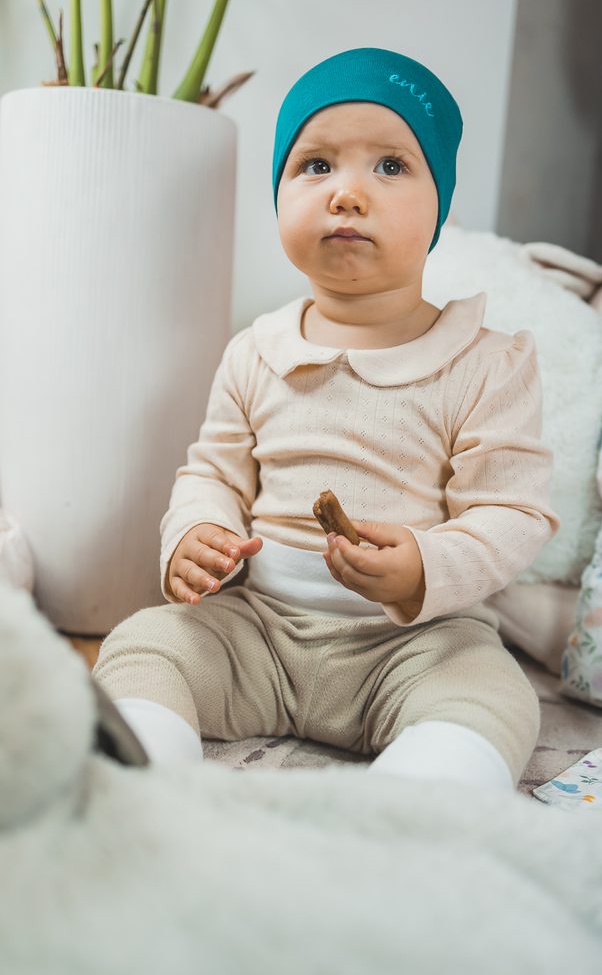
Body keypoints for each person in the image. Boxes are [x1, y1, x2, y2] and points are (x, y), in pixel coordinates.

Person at [92, 47, 560, 790]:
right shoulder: (257, 351)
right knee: (146, 642)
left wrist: (424, 564)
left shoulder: (485, 361)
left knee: (492, 694)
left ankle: (421, 796)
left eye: (390, 165)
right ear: (279, 196)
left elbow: (510, 513)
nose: (346, 193)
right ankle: (140, 777)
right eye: (315, 165)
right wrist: (196, 533)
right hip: (258, 630)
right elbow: (213, 473)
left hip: (416, 640)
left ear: (440, 207)